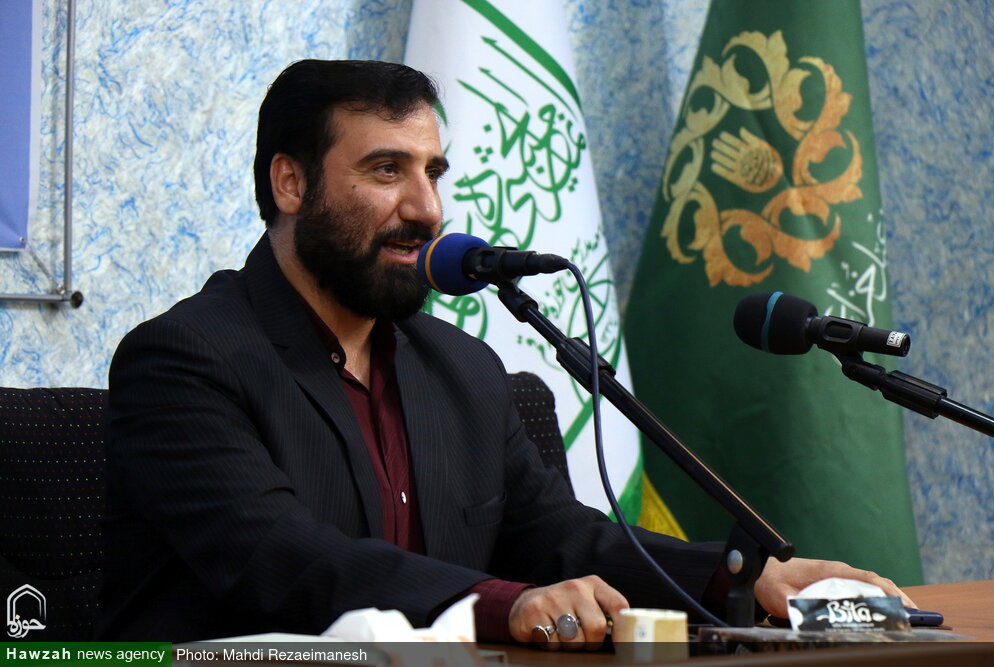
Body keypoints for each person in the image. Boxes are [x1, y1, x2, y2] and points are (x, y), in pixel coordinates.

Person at [98, 59, 913, 648]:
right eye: (386, 170)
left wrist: (736, 576)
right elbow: (280, 558)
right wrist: (499, 603)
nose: (426, 207)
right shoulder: (183, 360)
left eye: (433, 171)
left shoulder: (459, 366)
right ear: (290, 183)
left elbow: (557, 536)